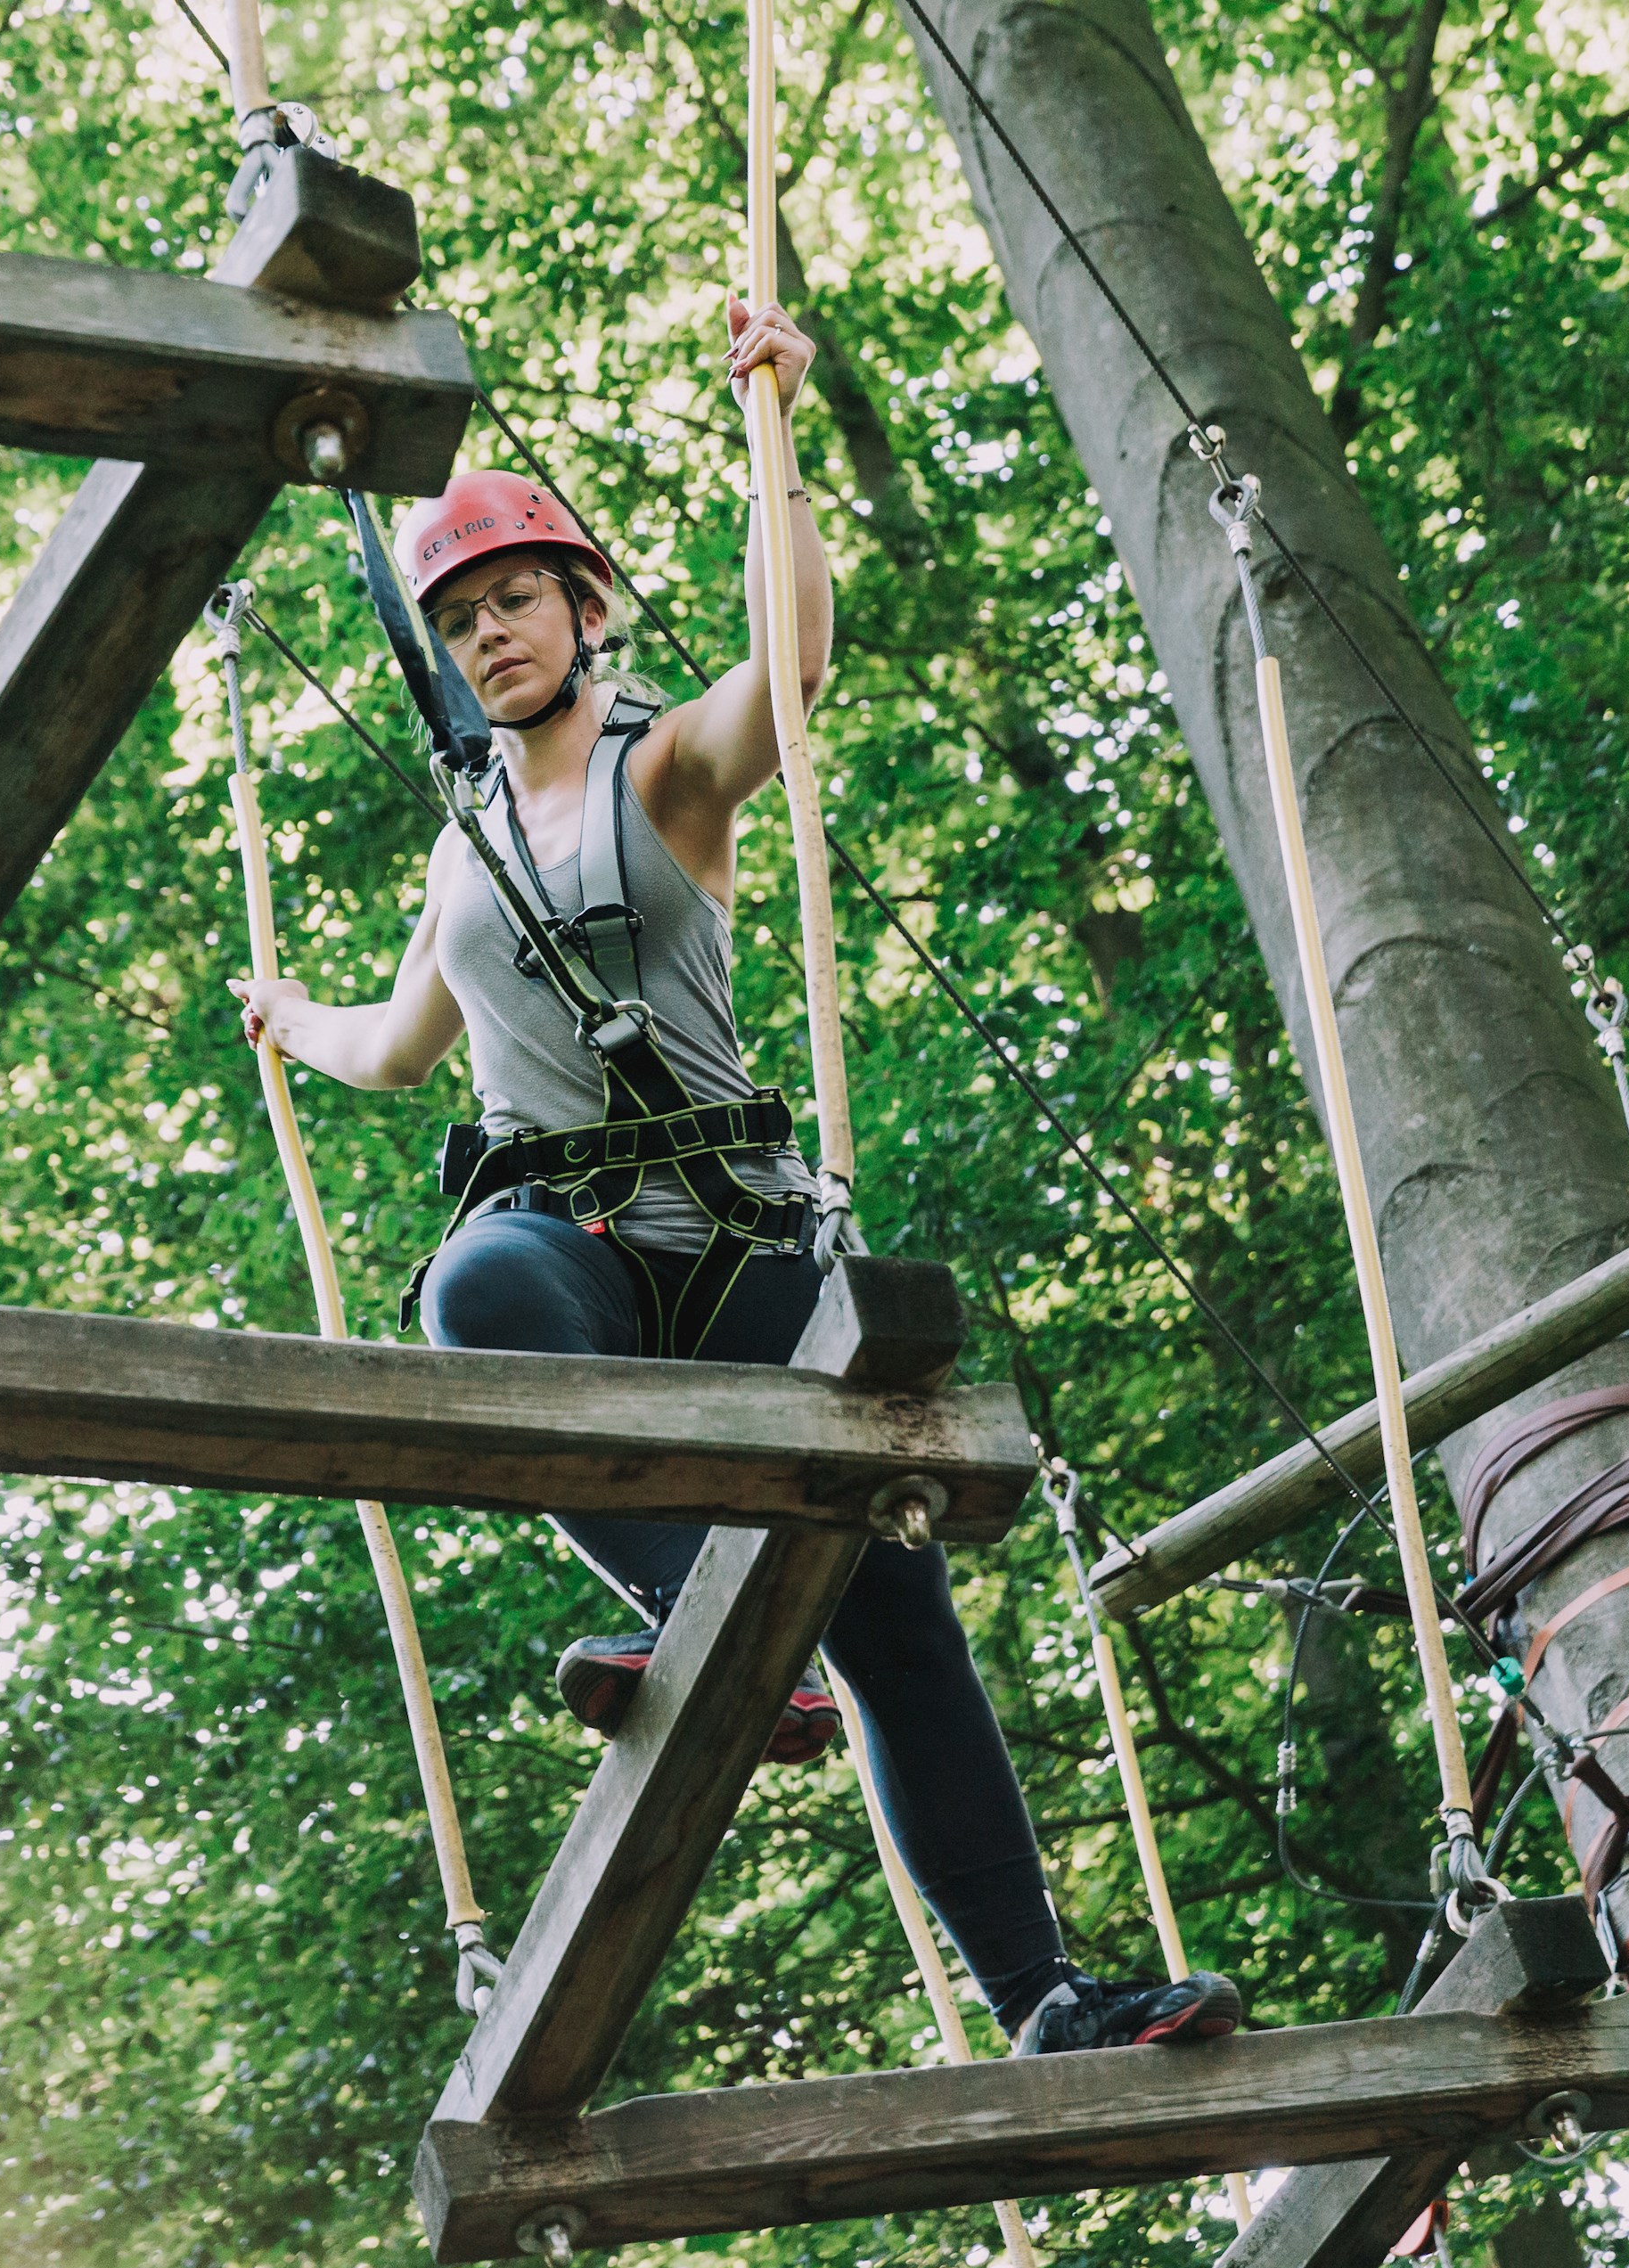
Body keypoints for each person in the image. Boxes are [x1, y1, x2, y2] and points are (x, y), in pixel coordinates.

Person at [228, 299, 1240, 2058]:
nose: (487, 636)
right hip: (568, 1239)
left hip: (743, 1228)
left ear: (582, 605)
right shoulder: (463, 851)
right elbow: (400, 1049)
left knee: (897, 1624)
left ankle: (1042, 1997)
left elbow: (793, 666)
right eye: (459, 620)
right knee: (476, 1296)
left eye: (514, 600)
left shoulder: (664, 772)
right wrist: (280, 1013)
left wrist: (773, 429)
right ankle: (710, 1627)